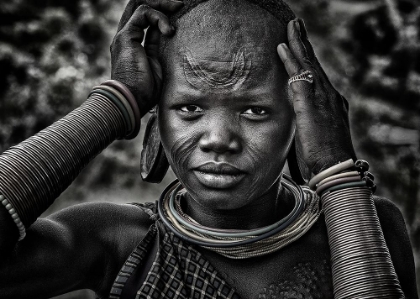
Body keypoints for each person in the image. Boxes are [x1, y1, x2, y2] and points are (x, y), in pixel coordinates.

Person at [0, 0, 418, 298]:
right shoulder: (117, 240)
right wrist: (116, 101)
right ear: (157, 117)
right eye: (189, 107)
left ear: (302, 118)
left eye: (255, 109)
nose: (218, 138)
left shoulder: (370, 224)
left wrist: (337, 173)